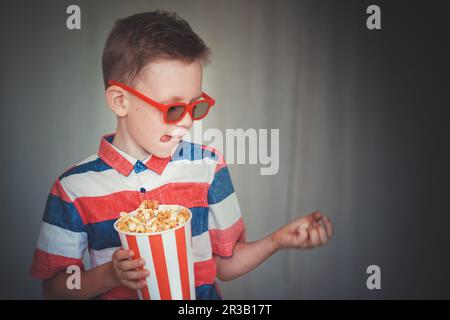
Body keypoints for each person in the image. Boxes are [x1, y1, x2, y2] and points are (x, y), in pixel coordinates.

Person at [30, 10, 333, 300]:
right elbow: (55, 289)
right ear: (120, 101)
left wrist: (277, 241)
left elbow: (224, 265)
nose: (188, 121)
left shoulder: (208, 167)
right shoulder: (73, 189)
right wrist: (110, 275)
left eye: (196, 106)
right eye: (173, 108)